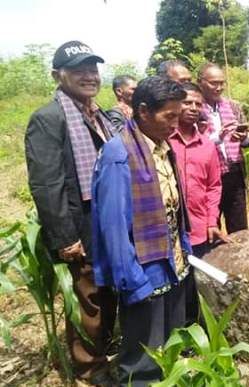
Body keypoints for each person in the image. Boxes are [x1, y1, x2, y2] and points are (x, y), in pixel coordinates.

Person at [24, 40, 118, 384]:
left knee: (105, 291)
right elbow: (47, 185)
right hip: (81, 224)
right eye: (79, 70)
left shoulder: (97, 115)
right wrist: (65, 237)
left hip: (106, 219)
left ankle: (104, 353)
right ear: (57, 75)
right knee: (88, 298)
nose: (89, 76)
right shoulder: (49, 118)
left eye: (93, 69)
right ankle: (89, 370)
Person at [91, 76, 193, 386]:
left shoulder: (162, 146)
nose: (176, 124)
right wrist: (131, 280)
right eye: (170, 116)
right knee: (142, 351)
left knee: (168, 338)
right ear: (144, 111)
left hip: (171, 259)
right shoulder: (118, 154)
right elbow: (113, 228)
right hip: (143, 268)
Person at [168, 82, 230, 257]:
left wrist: (212, 222)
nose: (193, 108)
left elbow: (213, 186)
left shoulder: (208, 145)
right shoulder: (164, 142)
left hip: (200, 230)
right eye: (187, 103)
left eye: (198, 104)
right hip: (169, 234)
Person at [198, 62, 249, 233]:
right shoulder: (195, 109)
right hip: (208, 177)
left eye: (222, 83)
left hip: (234, 173)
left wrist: (243, 138)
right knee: (211, 227)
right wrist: (218, 137)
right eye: (214, 83)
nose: (219, 87)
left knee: (239, 227)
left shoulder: (233, 106)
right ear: (201, 82)